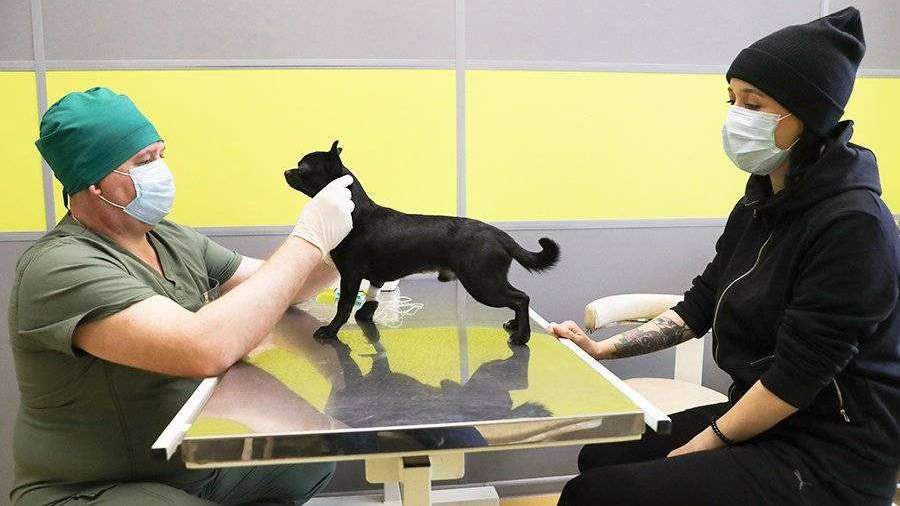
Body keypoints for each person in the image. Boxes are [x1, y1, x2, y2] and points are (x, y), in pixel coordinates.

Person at [549, 8, 899, 505]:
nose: (737, 116)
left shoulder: (854, 225)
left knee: (597, 494)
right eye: (732, 99)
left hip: (831, 455)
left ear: (809, 117)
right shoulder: (761, 202)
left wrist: (705, 443)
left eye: (753, 104)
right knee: (603, 456)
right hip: (767, 419)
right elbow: (702, 302)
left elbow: (798, 376)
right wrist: (603, 349)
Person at [9, 87, 355, 505]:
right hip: (94, 487)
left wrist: (349, 243)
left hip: (184, 466)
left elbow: (281, 286)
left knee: (309, 455)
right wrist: (308, 238)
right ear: (95, 184)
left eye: (160, 155)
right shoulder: (60, 267)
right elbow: (202, 348)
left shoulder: (168, 238)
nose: (160, 170)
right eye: (143, 162)